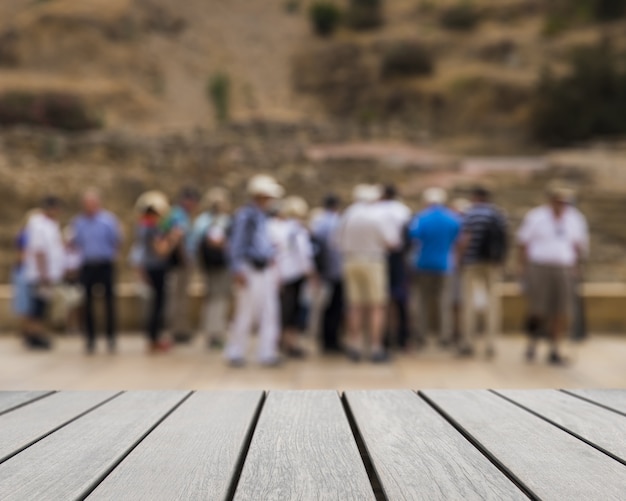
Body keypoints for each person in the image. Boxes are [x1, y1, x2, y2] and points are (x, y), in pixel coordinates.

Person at [517, 184, 589, 365]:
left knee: (561, 310)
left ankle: (555, 348)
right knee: (538, 309)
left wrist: (578, 266)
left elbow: (579, 245)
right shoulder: (536, 217)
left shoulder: (575, 218)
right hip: (540, 267)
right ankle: (532, 343)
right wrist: (522, 267)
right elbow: (523, 243)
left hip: (564, 268)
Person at [225, 174, 284, 367]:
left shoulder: (262, 216)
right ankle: (235, 351)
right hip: (250, 268)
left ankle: (267, 352)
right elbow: (236, 245)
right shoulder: (246, 216)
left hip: (264, 268)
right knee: (245, 311)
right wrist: (237, 269)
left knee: (269, 311)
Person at [336, 184, 399, 363]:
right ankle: (375, 347)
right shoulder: (378, 215)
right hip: (373, 261)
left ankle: (354, 345)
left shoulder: (347, 215)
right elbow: (392, 242)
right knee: (376, 306)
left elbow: (337, 242)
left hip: (350, 261)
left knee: (354, 306)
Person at [458, 186, 508, 358]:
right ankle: (491, 343)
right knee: (493, 304)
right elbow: (504, 239)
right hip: (492, 263)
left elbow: (465, 238)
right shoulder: (498, 214)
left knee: (469, 303)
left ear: (475, 197)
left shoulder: (470, 214)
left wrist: (460, 258)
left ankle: (468, 342)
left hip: (472, 262)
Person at [408, 188, 462, 349]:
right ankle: (445, 335)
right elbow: (457, 239)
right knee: (444, 301)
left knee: (422, 301)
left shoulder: (421, 218)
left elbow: (413, 238)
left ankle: (421, 334)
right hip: (445, 264)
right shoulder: (452, 219)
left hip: (423, 264)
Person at [72, 189, 121, 354]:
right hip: (87, 265)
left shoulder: (108, 220)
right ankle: (90, 339)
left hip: (105, 264)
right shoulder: (78, 222)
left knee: (109, 303)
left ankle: (111, 337)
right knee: (87, 303)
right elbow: (76, 243)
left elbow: (116, 240)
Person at [133, 191, 178, 354]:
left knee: (156, 306)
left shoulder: (143, 226)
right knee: (158, 307)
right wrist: (173, 238)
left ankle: (154, 338)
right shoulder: (151, 228)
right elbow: (161, 250)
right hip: (156, 269)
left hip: (151, 268)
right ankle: (154, 339)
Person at [270, 195, 314, 358]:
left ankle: (279, 340)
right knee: (292, 311)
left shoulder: (277, 227)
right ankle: (290, 343)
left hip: (279, 275)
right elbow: (304, 255)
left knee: (281, 310)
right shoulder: (297, 229)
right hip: (294, 275)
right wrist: (310, 273)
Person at [192, 187, 233, 349]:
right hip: (217, 266)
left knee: (215, 298)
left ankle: (214, 331)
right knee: (217, 299)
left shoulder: (202, 221)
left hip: (213, 266)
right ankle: (214, 333)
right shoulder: (219, 221)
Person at [23, 196, 65, 350]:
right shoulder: (38, 224)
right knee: (37, 307)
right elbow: (39, 251)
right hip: (41, 275)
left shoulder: (50, 224)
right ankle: (34, 334)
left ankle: (36, 333)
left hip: (47, 274)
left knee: (41, 306)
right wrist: (43, 274)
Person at [377, 184, 412, 350]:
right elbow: (409, 237)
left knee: (381, 299)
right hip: (399, 258)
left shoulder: (376, 210)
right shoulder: (403, 210)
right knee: (400, 299)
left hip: (381, 257)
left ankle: (383, 338)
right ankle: (403, 338)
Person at [166, 186, 200, 344]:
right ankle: (177, 330)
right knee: (178, 297)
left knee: (181, 297)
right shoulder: (178, 215)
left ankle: (181, 328)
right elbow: (178, 236)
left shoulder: (182, 215)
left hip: (182, 261)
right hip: (180, 263)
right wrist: (184, 258)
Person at [311, 194, 344, 354]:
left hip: (324, 271)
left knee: (325, 307)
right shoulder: (336, 222)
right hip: (335, 272)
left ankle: (324, 339)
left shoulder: (318, 221)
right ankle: (331, 341)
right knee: (334, 307)